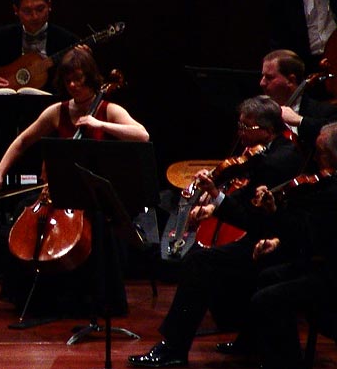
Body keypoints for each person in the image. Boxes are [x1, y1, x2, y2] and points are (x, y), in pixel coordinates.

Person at [127, 95, 303, 367]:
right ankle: (249, 337)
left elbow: (252, 220)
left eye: (246, 128)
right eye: (240, 125)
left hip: (279, 245)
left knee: (200, 261)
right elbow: (246, 195)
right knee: (204, 257)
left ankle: (174, 347)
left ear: (267, 130)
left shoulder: (277, 160)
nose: (240, 133)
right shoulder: (271, 150)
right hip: (265, 237)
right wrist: (214, 205)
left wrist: (216, 197)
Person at [0, 46, 149, 316]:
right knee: (22, 215)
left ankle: (90, 300)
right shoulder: (57, 111)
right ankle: (36, 296)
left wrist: (101, 126)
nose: (74, 85)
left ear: (91, 79)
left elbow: (141, 135)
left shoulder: (108, 109)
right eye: (69, 80)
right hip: (59, 193)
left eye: (80, 79)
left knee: (99, 225)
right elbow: (23, 140)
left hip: (95, 195)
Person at [0, 0, 80, 241]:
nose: (34, 16)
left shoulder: (66, 41)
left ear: (50, 6)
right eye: (27, 11)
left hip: (49, 127)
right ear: (16, 11)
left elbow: (82, 80)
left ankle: (55, 218)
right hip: (5, 123)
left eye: (40, 9)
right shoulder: (0, 37)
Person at [246, 122, 337, 369]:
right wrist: (278, 240)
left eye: (320, 154)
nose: (314, 159)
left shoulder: (331, 194)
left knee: (266, 300)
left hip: (331, 276)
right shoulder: (326, 187)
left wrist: (275, 213)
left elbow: (311, 237)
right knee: (268, 275)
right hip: (322, 264)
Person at [259, 49, 337, 164]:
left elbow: (332, 137)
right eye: (263, 76)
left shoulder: (325, 111)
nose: (262, 83)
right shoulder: (262, 111)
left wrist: (300, 121)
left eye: (269, 77)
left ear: (291, 80)